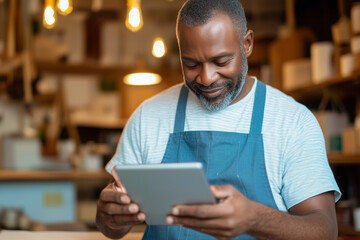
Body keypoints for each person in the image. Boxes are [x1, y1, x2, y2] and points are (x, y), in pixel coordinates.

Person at [96, 0, 341, 239]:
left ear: (247, 44)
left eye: (221, 61)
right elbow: (111, 227)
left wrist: (255, 219)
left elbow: (325, 230)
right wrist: (111, 217)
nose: (207, 77)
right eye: (191, 64)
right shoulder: (149, 117)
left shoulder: (292, 122)